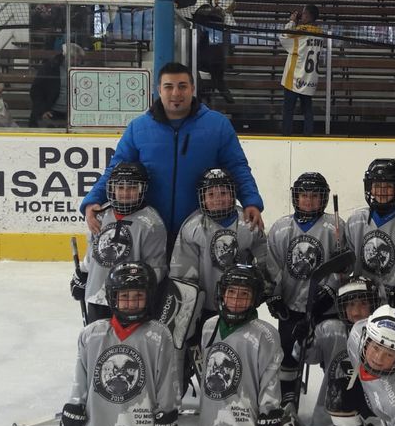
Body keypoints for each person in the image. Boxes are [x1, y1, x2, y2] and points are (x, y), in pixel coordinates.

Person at [79, 62, 264, 267]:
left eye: (182, 86)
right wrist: (93, 199)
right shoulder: (139, 128)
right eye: (168, 87)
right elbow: (115, 170)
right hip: (151, 231)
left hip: (199, 232)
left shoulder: (217, 125)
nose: (176, 93)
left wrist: (251, 201)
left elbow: (237, 167)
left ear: (192, 89)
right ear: (159, 90)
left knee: (194, 286)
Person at [59, 262, 180, 426]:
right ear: (112, 297)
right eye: (124, 296)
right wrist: (74, 406)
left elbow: (167, 383)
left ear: (149, 296)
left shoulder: (159, 335)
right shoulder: (92, 334)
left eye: (138, 296)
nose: (131, 303)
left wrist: (167, 416)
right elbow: (81, 378)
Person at [197, 264, 314, 426]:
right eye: (231, 292)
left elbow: (269, 379)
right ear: (222, 293)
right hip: (215, 417)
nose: (235, 300)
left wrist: (269, 414)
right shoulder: (209, 326)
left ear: (255, 299)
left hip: (246, 415)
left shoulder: (265, 334)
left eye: (244, 294)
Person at [168, 167, 268, 389]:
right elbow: (182, 274)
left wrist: (264, 287)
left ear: (233, 194)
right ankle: (187, 378)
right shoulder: (193, 226)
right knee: (198, 345)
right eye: (211, 194)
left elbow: (264, 258)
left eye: (224, 193)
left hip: (240, 303)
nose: (218, 199)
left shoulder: (247, 222)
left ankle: (244, 386)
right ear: (202, 198)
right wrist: (189, 309)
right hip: (204, 307)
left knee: (240, 347)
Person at [265, 172, 347, 414]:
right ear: (295, 197)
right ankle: (287, 396)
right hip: (291, 305)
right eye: (304, 195)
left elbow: (342, 266)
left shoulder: (335, 227)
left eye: (314, 196)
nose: (309, 201)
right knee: (287, 350)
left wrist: (330, 290)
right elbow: (273, 266)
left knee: (329, 350)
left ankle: (335, 392)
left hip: (325, 307)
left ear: (323, 199)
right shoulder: (281, 228)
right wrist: (274, 295)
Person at [71, 162, 168, 324]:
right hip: (97, 297)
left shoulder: (152, 223)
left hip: (130, 302)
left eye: (132, 188)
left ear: (142, 189)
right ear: (112, 189)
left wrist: (139, 288)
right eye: (120, 187)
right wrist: (82, 274)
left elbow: (156, 269)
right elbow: (94, 252)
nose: (125, 193)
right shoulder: (101, 214)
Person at [303, 276, 382, 426]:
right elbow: (309, 357)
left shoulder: (383, 333)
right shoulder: (330, 329)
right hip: (334, 410)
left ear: (373, 305)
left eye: (363, 304)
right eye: (351, 304)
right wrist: (304, 340)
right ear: (342, 308)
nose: (357, 311)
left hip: (374, 410)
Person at [346, 159, 395, 314]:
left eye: (388, 186)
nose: (382, 191)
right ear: (369, 188)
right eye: (377, 186)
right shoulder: (356, 221)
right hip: (362, 303)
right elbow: (348, 261)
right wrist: (341, 264)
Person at [279, 4, 324, 136]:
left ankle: (286, 135)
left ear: (309, 16)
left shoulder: (300, 32)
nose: (301, 15)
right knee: (307, 109)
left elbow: (284, 37)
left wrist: (292, 21)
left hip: (295, 76)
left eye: (303, 13)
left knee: (288, 109)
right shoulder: (320, 33)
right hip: (310, 77)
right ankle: (308, 135)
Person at [195, 0, 237, 105]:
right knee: (217, 59)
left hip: (206, 29)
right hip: (218, 28)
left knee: (207, 60)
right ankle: (219, 85)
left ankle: (210, 86)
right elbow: (229, 5)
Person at [29, 42, 82, 128]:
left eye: (79, 60)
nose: (78, 62)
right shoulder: (49, 68)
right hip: (51, 112)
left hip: (72, 114)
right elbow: (36, 91)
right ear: (66, 57)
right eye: (75, 59)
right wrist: (43, 111)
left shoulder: (80, 71)